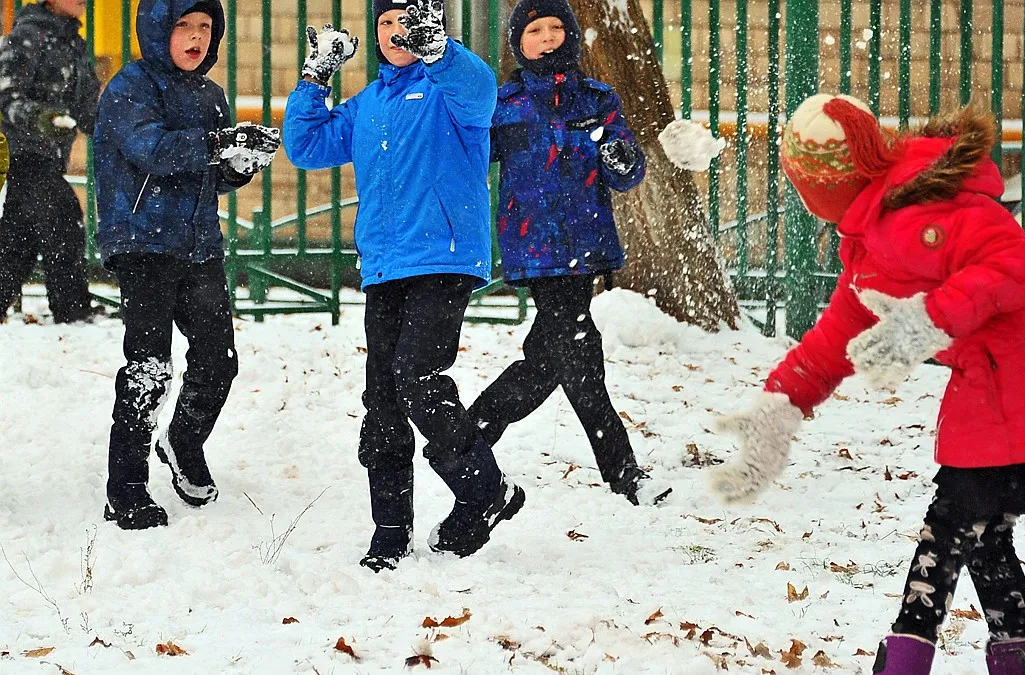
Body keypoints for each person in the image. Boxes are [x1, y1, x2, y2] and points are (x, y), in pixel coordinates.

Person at [709, 94, 1025, 675]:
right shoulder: (877, 234)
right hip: (999, 388)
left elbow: (1011, 270)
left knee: (951, 521)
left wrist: (925, 323)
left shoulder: (927, 213)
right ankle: (1021, 660)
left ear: (823, 184)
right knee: (982, 529)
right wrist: (778, 406)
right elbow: (837, 337)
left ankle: (906, 662)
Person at [283, 0, 524, 571]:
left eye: (409, 22)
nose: (397, 32)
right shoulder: (369, 104)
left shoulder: (451, 90)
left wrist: (439, 50)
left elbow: (480, 90)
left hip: (442, 257)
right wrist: (316, 77)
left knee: (418, 379)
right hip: (385, 267)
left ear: (432, 29)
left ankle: (482, 489)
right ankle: (390, 529)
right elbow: (307, 146)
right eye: (387, 23)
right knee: (384, 401)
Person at [466, 0, 669, 507]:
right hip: (534, 248)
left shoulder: (597, 100)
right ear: (519, 42)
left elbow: (628, 173)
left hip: (585, 244)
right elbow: (467, 162)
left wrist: (619, 155)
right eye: (536, 30)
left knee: (549, 361)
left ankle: (465, 438)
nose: (549, 37)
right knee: (579, 354)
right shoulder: (503, 104)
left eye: (558, 27)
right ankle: (625, 475)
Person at [93, 0, 280, 530]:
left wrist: (238, 163)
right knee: (148, 369)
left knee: (218, 359)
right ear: (157, 31)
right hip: (143, 241)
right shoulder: (131, 86)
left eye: (206, 28)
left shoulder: (212, 95)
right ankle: (125, 488)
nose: (197, 38)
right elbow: (150, 149)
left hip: (198, 245)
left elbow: (211, 174)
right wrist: (218, 144)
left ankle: (184, 440)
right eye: (184, 27)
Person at [0, 0, 102, 324]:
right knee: (64, 218)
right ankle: (72, 309)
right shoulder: (29, 35)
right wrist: (41, 118)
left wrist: (111, 126)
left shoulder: (74, 41)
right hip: (24, 153)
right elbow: (7, 96)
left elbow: (86, 106)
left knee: (19, 237)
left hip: (52, 155)